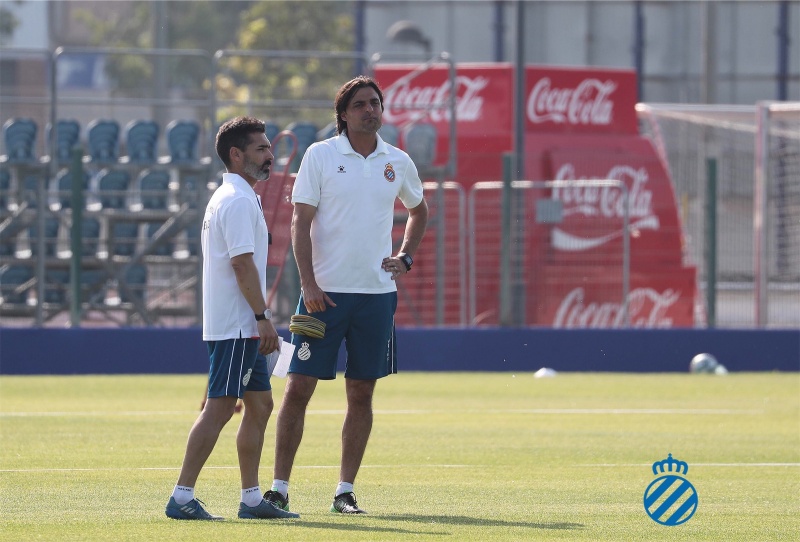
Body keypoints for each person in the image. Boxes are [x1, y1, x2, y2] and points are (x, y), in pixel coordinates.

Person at [266, 76, 428, 515]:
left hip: (376, 297)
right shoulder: (320, 155)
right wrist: (308, 283)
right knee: (298, 388)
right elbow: (300, 222)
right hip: (323, 296)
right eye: (360, 104)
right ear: (343, 114)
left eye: (375, 103)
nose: (370, 110)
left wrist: (405, 257)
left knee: (361, 394)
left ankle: (345, 491)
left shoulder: (397, 161)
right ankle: (279, 489)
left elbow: (419, 210)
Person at [165, 116, 298, 521]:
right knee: (220, 409)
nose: (270, 155)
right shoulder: (238, 200)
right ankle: (181, 496)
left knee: (261, 405)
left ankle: (251, 499)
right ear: (236, 155)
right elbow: (242, 265)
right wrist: (262, 317)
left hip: (241, 324)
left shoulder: (235, 196)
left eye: (268, 147)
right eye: (261, 148)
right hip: (239, 325)